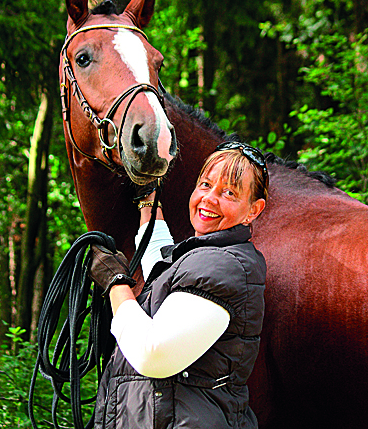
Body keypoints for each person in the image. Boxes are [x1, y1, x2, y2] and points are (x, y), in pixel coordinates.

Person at [88, 141, 269, 429]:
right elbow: (159, 262)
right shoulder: (206, 257)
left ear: (252, 210)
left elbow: (153, 355)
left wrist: (115, 282)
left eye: (229, 193)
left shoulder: (224, 267)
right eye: (206, 185)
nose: (209, 199)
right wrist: (148, 199)